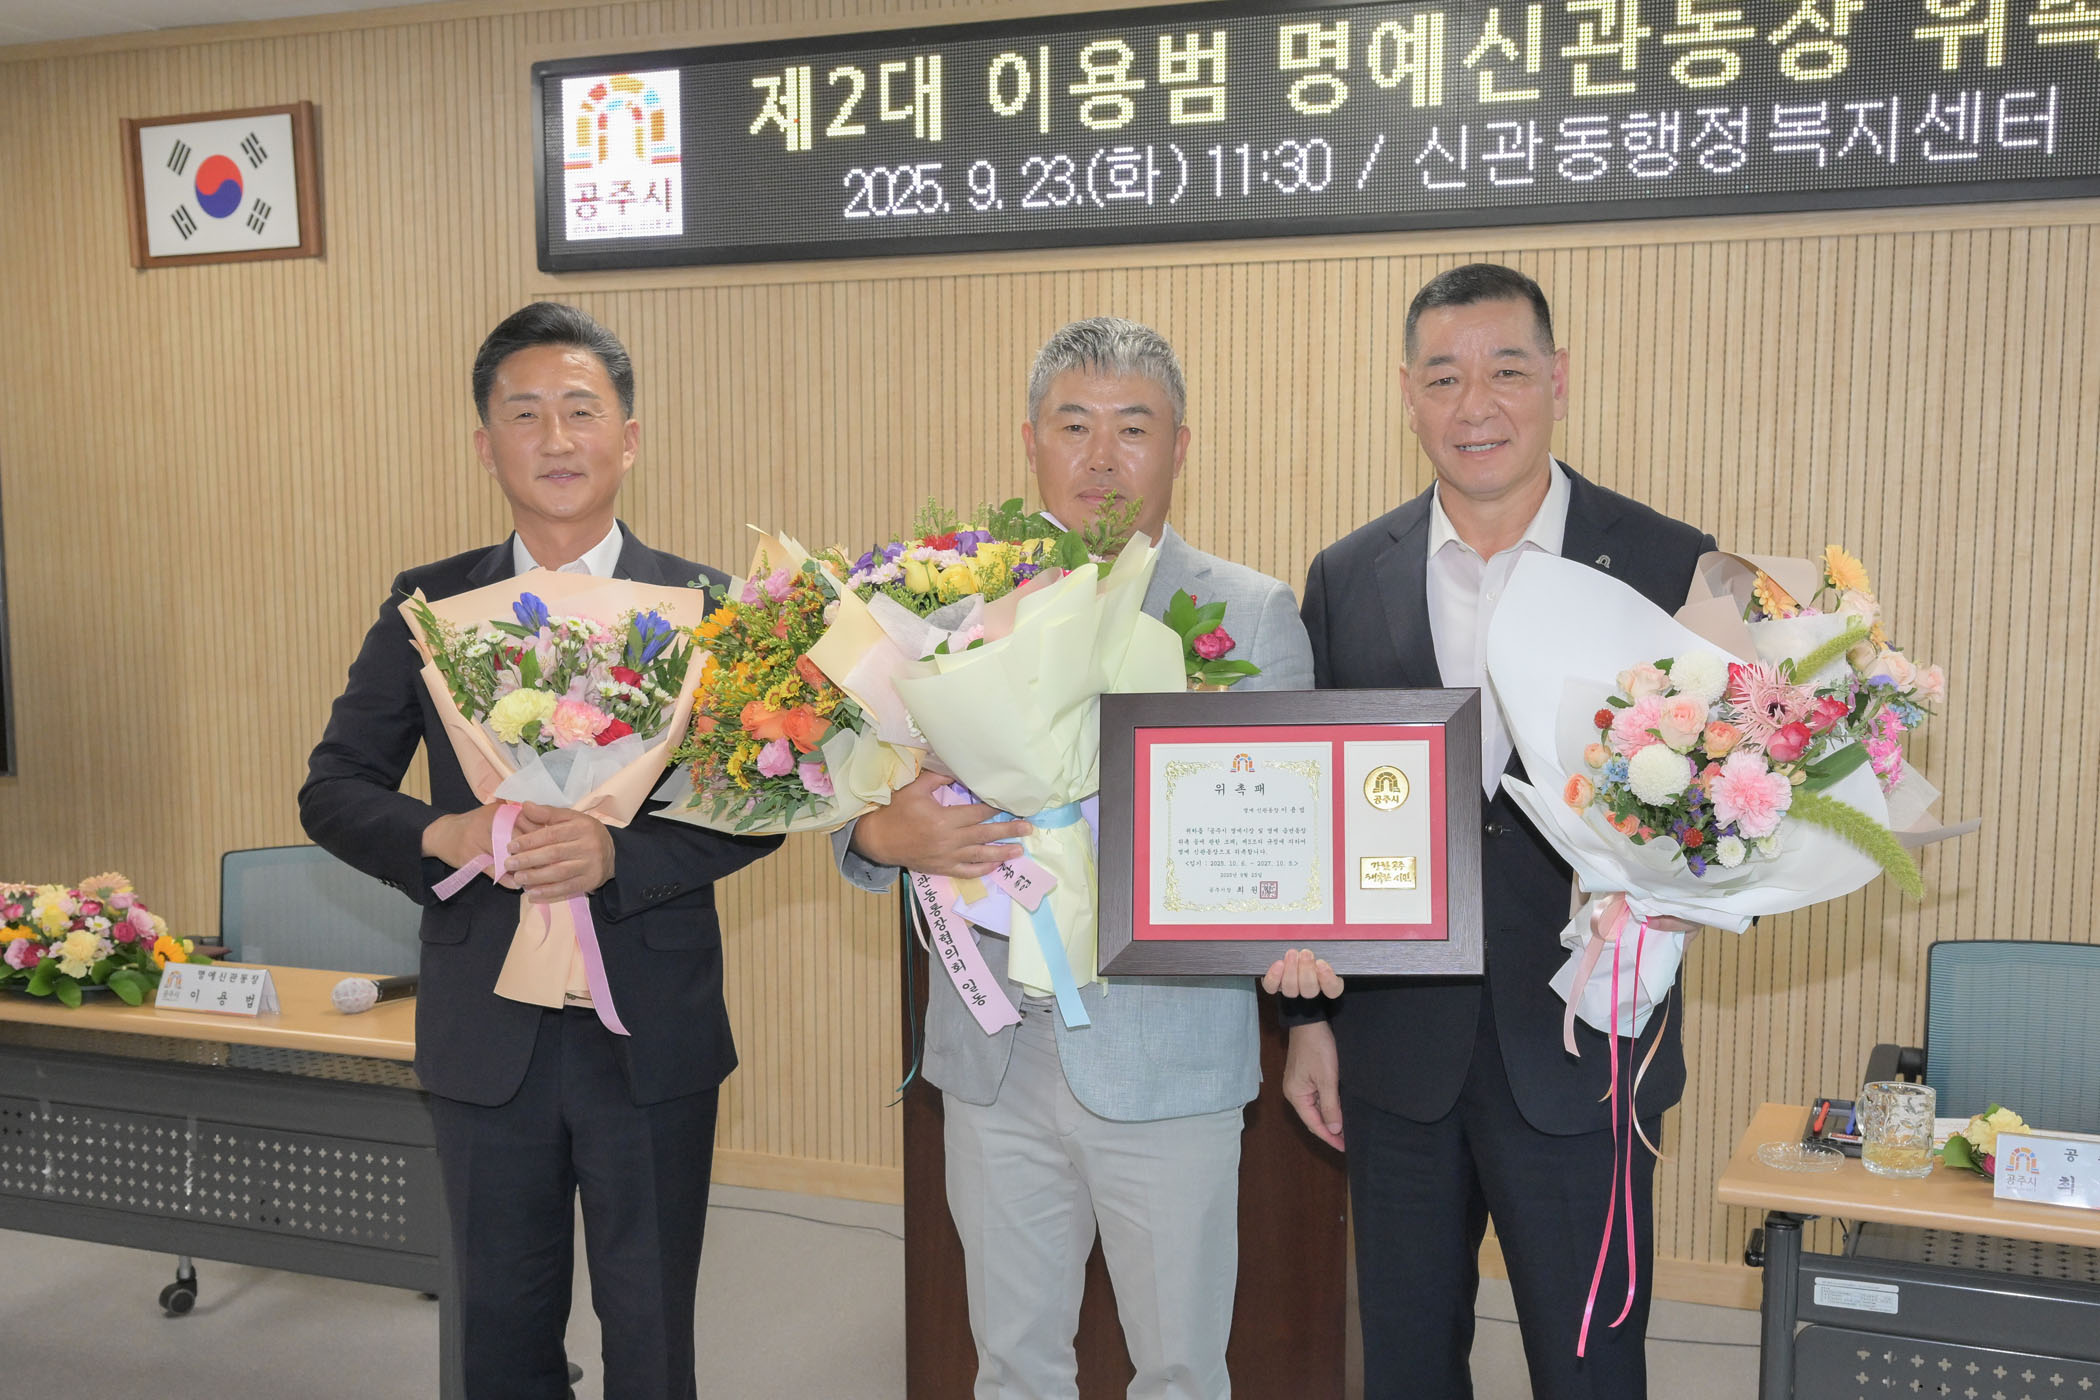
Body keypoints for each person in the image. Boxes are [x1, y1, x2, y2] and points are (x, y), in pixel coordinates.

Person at [299, 302, 781, 1400]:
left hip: (649, 1026)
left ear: (630, 436)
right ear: (486, 445)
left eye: (581, 410)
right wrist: (446, 832)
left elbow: (760, 799)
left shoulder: (708, 608)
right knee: (498, 1332)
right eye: (525, 414)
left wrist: (622, 855)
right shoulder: (429, 607)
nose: (556, 439)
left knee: (652, 1332)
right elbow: (333, 788)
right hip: (485, 1029)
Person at [835, 317, 1313, 1400]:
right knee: (1011, 1363)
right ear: (1031, 441)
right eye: (1074, 426)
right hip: (993, 1048)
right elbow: (854, 795)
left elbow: (1289, 833)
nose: (1103, 457)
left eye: (1133, 428)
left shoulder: (1250, 614)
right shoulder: (948, 603)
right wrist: (876, 835)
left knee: (1181, 1368)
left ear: (1180, 446)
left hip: (1167, 1054)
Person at [1273, 264, 1715, 1400]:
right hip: (1395, 1053)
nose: (1476, 406)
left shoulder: (1667, 563)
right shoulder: (1345, 575)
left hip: (1582, 1048)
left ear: (1557, 379)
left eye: (1506, 371)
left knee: (1590, 1366)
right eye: (1443, 378)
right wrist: (1306, 1024)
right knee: (1407, 1364)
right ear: (1408, 396)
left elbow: (1728, 800)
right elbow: (1306, 815)